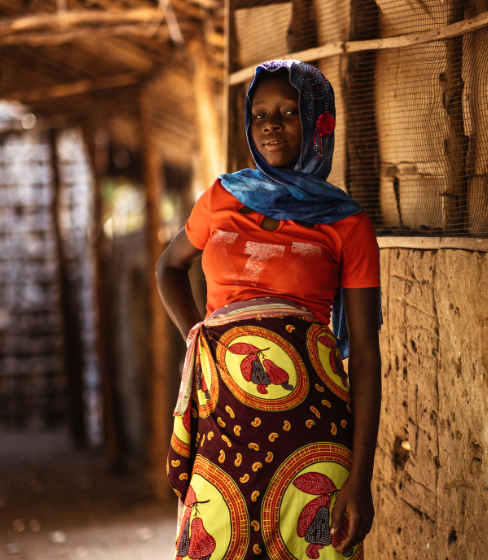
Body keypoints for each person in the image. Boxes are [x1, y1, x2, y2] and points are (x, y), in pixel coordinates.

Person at [156, 59, 381, 560]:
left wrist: (361, 476)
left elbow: (365, 352)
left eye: (288, 112)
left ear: (320, 121)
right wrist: (202, 338)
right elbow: (168, 268)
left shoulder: (346, 223)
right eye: (259, 114)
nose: (270, 124)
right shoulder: (222, 198)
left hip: (313, 433)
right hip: (223, 422)